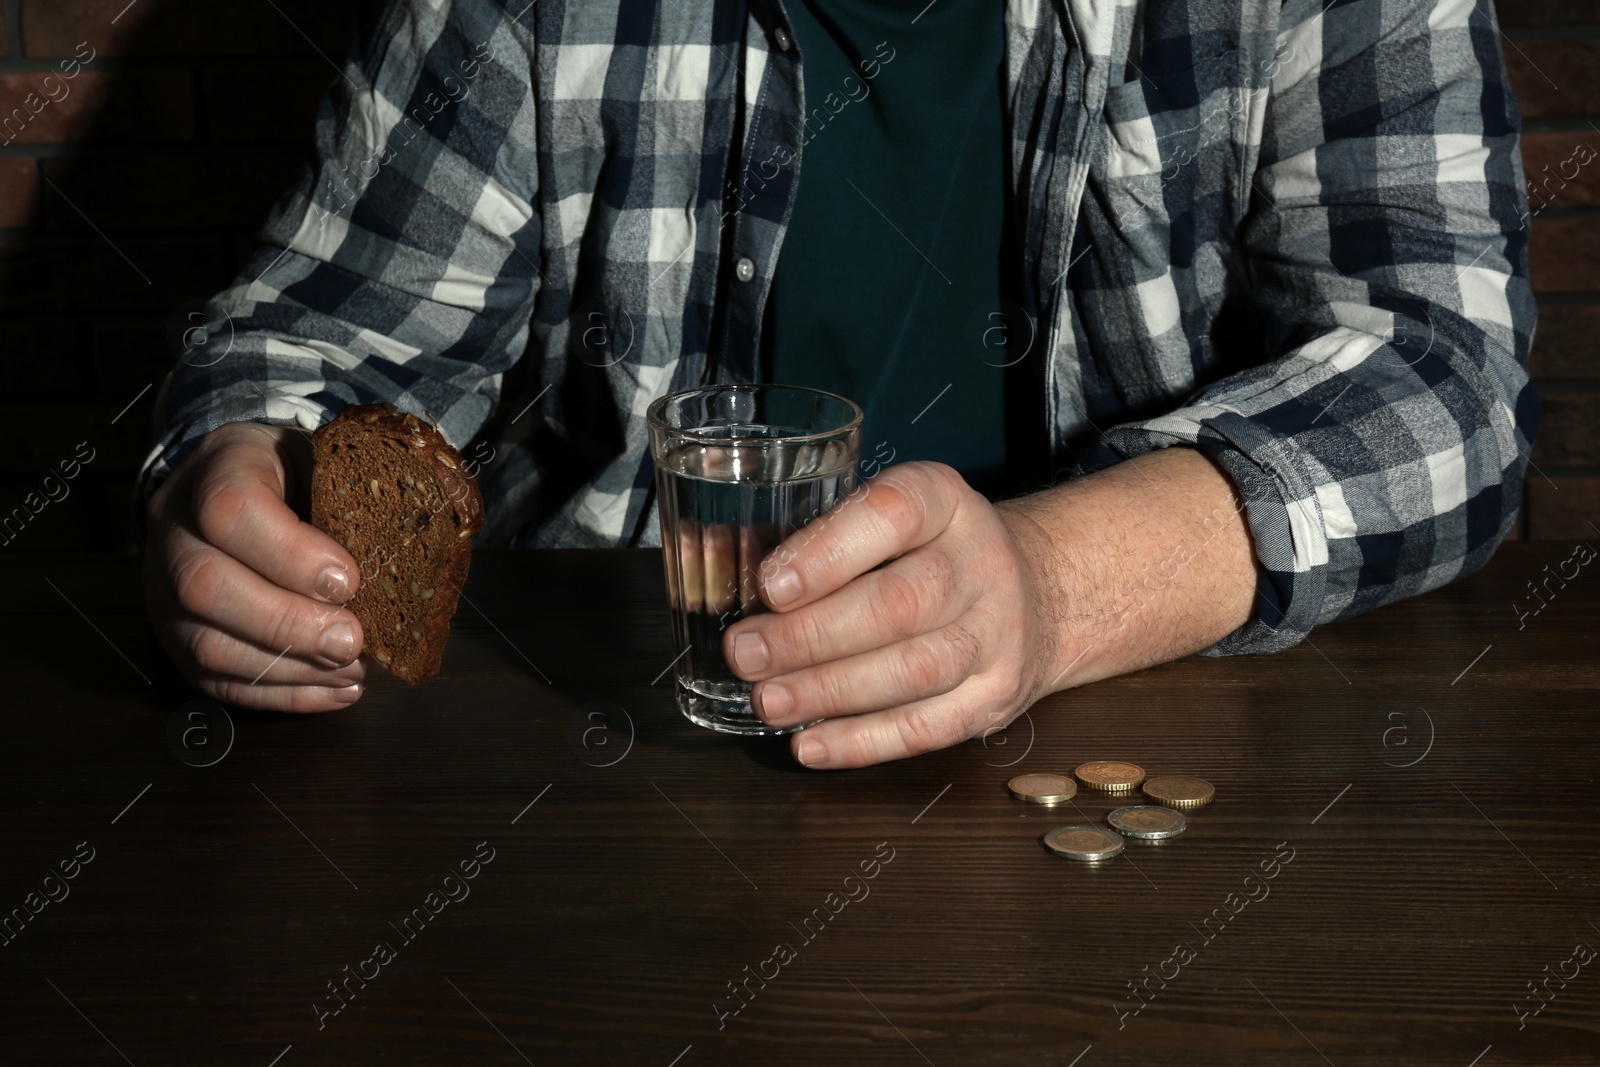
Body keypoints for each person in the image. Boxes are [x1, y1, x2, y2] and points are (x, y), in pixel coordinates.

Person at [138, 0, 1538, 769]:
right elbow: (318, 338)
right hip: (613, 757)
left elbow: (1451, 375)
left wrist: (1052, 587)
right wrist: (234, 472)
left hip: (1133, 748)